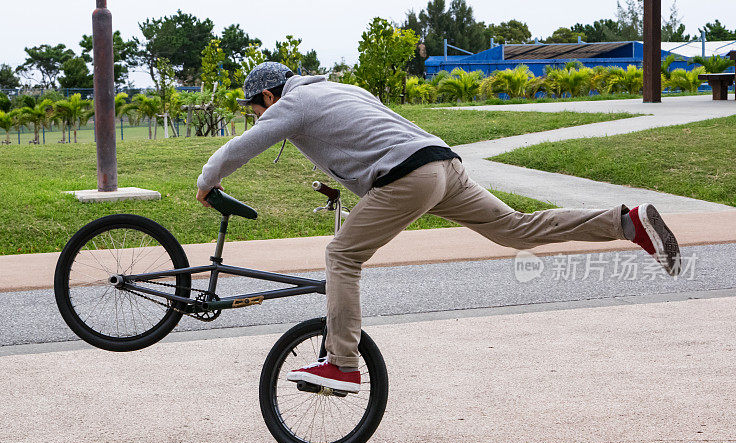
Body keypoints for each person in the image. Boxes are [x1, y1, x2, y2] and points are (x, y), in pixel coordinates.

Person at [196, 62, 680, 394]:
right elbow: (372, 135)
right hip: (443, 164)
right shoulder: (343, 89)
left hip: (408, 176)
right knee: (515, 227)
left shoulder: (291, 104)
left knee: (341, 256)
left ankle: (342, 363)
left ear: (267, 94)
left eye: (255, 108)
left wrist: (206, 183)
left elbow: (241, 148)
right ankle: (625, 222)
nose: (259, 116)